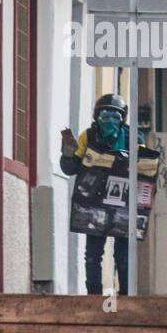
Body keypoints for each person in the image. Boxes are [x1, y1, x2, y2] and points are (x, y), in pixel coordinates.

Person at [59, 93, 134, 295]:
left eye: (115, 117)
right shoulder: (87, 136)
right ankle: (93, 295)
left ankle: (126, 295)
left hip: (123, 204)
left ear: (123, 119)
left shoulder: (133, 137)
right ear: (96, 117)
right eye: (104, 116)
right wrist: (67, 154)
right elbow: (71, 168)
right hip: (94, 203)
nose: (109, 121)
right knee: (92, 254)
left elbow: (146, 169)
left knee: (123, 255)